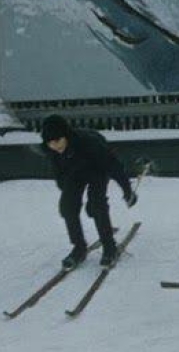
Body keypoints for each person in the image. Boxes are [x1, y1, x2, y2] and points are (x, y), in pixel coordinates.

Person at [40, 115, 139, 268]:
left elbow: (114, 166)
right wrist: (69, 195)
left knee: (96, 205)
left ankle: (109, 247)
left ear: (66, 136)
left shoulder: (89, 143)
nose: (55, 145)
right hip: (74, 174)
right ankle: (79, 247)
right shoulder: (52, 151)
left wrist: (127, 190)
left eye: (58, 140)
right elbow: (59, 175)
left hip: (97, 170)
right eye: (51, 143)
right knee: (68, 207)